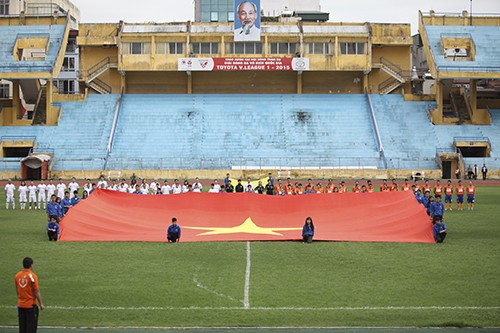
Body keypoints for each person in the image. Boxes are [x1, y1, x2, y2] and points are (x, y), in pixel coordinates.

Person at [14, 257, 44, 333]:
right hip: (30, 306)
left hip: (21, 305)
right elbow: (36, 291)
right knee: (31, 328)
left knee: (22, 328)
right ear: (31, 265)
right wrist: (41, 304)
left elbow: (18, 291)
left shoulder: (17, 276)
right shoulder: (32, 276)